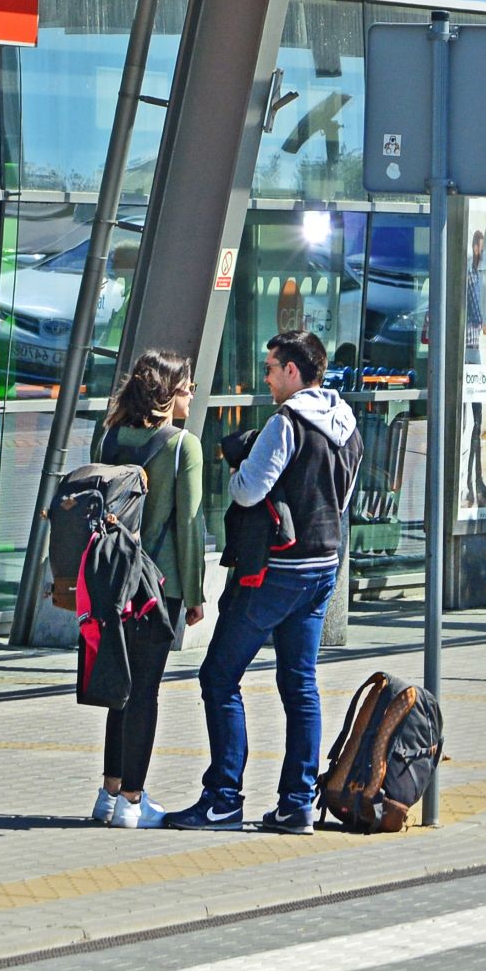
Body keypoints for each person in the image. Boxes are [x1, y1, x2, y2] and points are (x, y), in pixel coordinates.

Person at [165, 330, 361, 833]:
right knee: (300, 684)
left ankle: (223, 798)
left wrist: (238, 470)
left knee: (218, 676)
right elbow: (342, 499)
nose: (267, 376)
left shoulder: (286, 422)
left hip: (275, 573)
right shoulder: (347, 424)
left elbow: (249, 492)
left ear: (294, 371)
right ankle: (297, 802)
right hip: (323, 568)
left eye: (272, 367)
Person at [91, 350, 209, 828]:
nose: (191, 394)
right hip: (158, 588)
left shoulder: (110, 438)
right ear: (166, 394)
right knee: (145, 691)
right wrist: (197, 594)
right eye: (185, 387)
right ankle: (134, 803)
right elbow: (190, 527)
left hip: (111, 580)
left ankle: (109, 792)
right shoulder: (184, 446)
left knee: (120, 686)